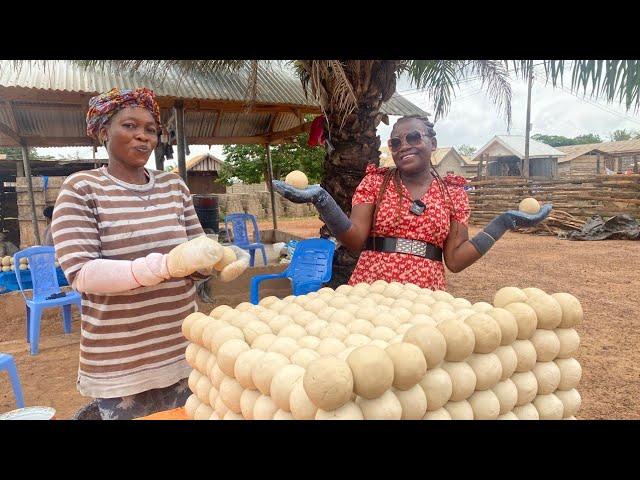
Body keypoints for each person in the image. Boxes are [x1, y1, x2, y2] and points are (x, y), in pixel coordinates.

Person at [51, 87, 249, 420]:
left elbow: (195, 255)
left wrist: (219, 260)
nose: (143, 137)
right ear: (103, 131)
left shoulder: (174, 187)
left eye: (151, 129)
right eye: (129, 126)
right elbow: (82, 274)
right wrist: (164, 265)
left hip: (182, 349)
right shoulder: (82, 189)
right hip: (121, 361)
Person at [273, 115, 551, 290]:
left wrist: (504, 222)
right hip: (372, 288)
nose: (404, 145)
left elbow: (454, 260)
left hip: (424, 295)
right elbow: (355, 239)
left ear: (432, 142)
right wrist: (323, 200)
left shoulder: (453, 193)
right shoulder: (375, 183)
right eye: (395, 142)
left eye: (413, 137)